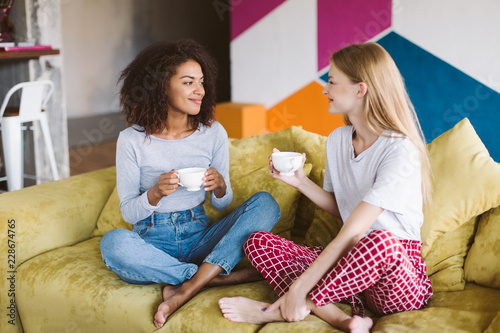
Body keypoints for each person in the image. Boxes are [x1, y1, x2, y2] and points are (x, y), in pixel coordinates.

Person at [218, 42, 433, 333]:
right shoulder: (338, 140)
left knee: (381, 241)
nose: (324, 89)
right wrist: (299, 181)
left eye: (331, 81)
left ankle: (278, 310)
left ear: (360, 89)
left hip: (394, 275)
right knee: (258, 241)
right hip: (348, 269)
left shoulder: (399, 150)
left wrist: (299, 288)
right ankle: (342, 320)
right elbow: (341, 207)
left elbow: (354, 230)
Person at [99, 39, 280, 329]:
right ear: (161, 85)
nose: (200, 91)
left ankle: (185, 285)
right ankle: (212, 277)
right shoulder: (131, 140)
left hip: (200, 234)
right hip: (151, 241)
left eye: (202, 82)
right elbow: (129, 214)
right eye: (188, 82)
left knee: (266, 203)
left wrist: (220, 186)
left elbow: (221, 203)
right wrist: (155, 193)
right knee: (113, 244)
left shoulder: (212, 133)